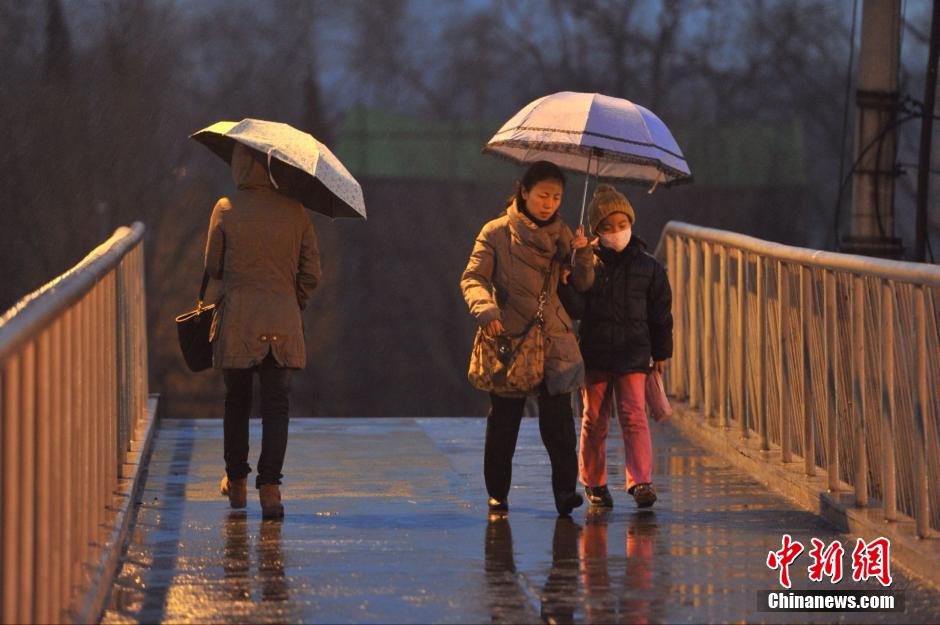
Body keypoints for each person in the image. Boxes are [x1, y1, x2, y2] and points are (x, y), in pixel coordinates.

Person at [461, 160, 593, 516]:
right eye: (543, 195)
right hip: (511, 337)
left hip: (554, 338)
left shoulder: (565, 234)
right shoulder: (496, 232)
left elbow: (583, 286)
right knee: (504, 423)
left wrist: (583, 254)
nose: (549, 203)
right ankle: (498, 493)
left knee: (560, 426)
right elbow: (473, 277)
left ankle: (566, 493)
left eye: (556, 197)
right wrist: (486, 310)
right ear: (524, 192)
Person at [205, 142, 321, 519]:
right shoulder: (296, 211)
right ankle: (270, 489)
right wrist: (292, 300)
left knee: (236, 401)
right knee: (276, 406)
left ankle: (236, 482)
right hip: (282, 319)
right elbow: (312, 273)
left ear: (239, 167)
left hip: (239, 319)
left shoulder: (225, 209)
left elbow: (214, 266)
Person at [560, 184, 673, 509]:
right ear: (596, 231)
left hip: (634, 354)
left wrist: (661, 352)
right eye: (607, 227)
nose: (616, 232)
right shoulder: (587, 264)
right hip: (595, 353)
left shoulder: (649, 267)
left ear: (631, 224)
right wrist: (570, 277)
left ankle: (641, 481)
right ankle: (593, 481)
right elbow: (577, 308)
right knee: (594, 418)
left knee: (634, 415)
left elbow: (661, 313)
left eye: (621, 225)